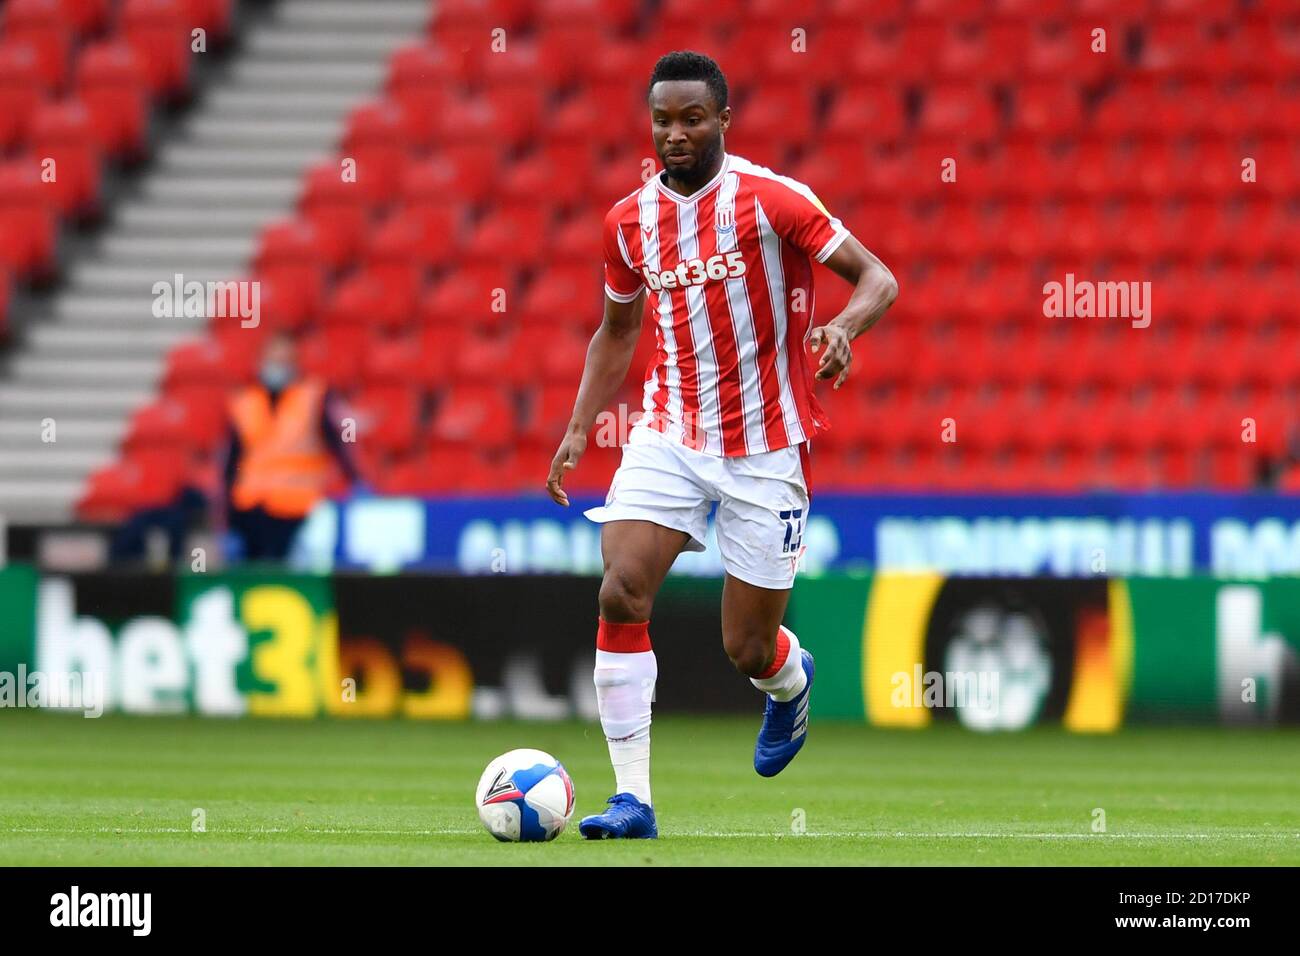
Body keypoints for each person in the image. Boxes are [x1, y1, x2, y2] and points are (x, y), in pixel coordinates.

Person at [545, 51, 899, 838]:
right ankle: (633, 800)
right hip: (669, 433)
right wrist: (577, 429)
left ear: (723, 121)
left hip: (768, 446)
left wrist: (842, 326)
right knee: (619, 591)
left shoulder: (774, 202)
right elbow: (618, 328)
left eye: (692, 118)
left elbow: (877, 277)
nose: (675, 134)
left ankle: (787, 683)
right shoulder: (627, 222)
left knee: (745, 645)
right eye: (663, 120)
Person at [220, 331, 361, 560]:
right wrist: (226, 519)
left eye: (284, 360)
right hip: (250, 508)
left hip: (298, 508)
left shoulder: (314, 396)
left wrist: (356, 480)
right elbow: (231, 462)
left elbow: (340, 443)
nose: (278, 365)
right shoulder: (244, 402)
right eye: (274, 359)